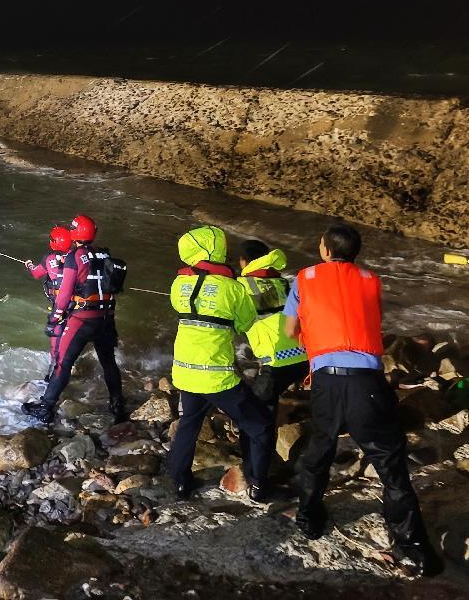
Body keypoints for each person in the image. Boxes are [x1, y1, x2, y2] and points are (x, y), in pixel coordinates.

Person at [283, 224, 443, 576]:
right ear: (355, 252)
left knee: (320, 450)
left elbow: (290, 330)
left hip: (327, 382)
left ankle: (309, 517)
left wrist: (312, 333)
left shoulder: (304, 278)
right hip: (367, 383)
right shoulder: (371, 280)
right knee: (390, 464)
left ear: (325, 250)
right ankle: (414, 547)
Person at [164, 225, 273, 502]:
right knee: (259, 424)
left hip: (184, 371)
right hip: (217, 376)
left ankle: (179, 482)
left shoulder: (179, 283)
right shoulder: (233, 288)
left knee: (189, 422)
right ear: (216, 250)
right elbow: (245, 324)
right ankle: (258, 484)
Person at [22, 214, 126, 425]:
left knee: (63, 363)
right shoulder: (104, 253)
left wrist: (55, 317)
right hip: (106, 318)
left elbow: (65, 293)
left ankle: (45, 407)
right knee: (109, 363)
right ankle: (117, 404)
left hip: (83, 319)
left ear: (73, 233)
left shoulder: (75, 256)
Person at [235, 239, 309, 476]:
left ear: (243, 261)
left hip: (276, 363)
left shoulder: (242, 286)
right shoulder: (284, 282)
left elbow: (235, 323)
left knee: (255, 417)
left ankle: (255, 472)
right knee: (267, 404)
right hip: (304, 358)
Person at [24, 226, 72, 380]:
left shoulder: (49, 259)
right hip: (77, 306)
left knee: (56, 343)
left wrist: (29, 265)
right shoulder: (77, 257)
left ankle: (53, 377)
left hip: (59, 307)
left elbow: (36, 273)